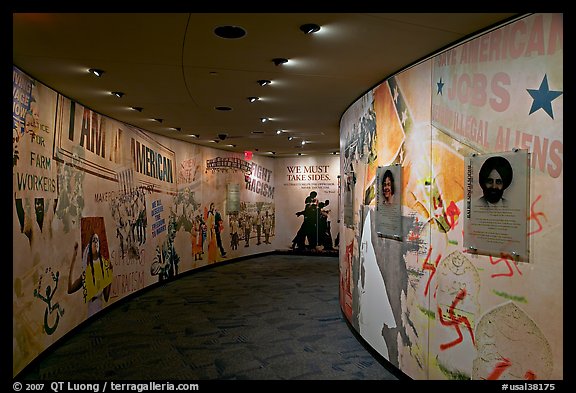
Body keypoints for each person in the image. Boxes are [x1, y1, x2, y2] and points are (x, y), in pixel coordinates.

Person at [68, 233, 113, 317]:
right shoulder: (87, 271)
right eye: (93, 240)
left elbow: (106, 297)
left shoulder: (103, 266)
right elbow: (70, 289)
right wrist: (74, 258)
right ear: (89, 246)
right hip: (91, 313)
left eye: (97, 240)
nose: (96, 243)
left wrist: (109, 274)